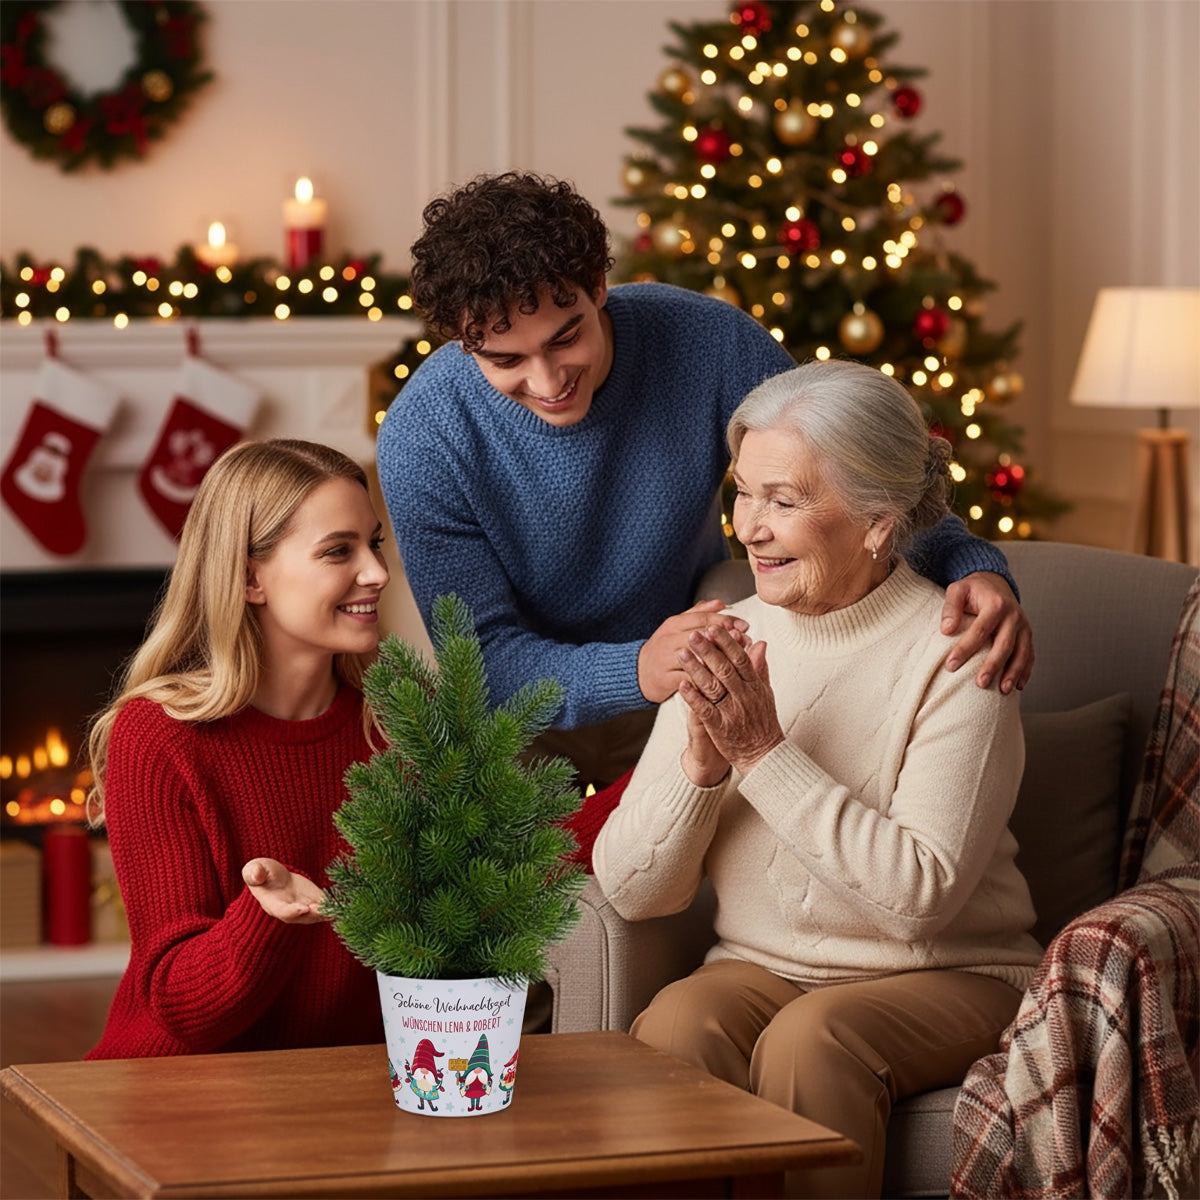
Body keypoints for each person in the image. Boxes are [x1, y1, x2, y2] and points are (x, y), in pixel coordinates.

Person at [376, 171, 1033, 790]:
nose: (548, 382)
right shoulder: (423, 436)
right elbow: (485, 662)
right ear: (464, 345)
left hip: (704, 683)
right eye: (506, 360)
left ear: (598, 283)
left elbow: (853, 482)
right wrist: (636, 667)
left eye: (565, 337)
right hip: (524, 731)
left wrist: (972, 564)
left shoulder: (705, 341)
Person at [591, 360, 1043, 1200]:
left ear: (879, 522)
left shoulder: (959, 653)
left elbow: (920, 900)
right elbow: (630, 890)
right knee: (680, 1022)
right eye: (744, 493)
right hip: (762, 965)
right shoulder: (724, 636)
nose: (749, 530)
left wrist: (763, 752)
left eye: (785, 500)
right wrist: (700, 765)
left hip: (951, 972)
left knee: (814, 1041)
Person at [84, 439, 390, 1059]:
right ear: (250, 578)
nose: (378, 572)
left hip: (347, 1088)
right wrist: (269, 919)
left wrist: (649, 764)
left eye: (374, 543)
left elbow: (517, 848)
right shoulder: (160, 734)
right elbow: (183, 1007)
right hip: (181, 1091)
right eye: (339, 551)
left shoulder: (393, 722)